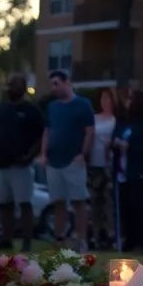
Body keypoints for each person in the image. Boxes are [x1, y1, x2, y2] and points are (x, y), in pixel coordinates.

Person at [0, 73, 45, 252]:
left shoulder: (31, 110)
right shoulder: (1, 109)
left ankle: (27, 239)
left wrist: (29, 156)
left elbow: (41, 136)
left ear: (23, 87)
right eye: (9, 84)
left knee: (24, 202)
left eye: (14, 84)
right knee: (4, 203)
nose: (10, 87)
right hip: (2, 165)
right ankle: (6, 238)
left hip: (21, 165)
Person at [39, 70, 96, 251]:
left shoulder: (83, 104)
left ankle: (82, 239)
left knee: (79, 201)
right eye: (52, 84)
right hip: (54, 160)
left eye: (56, 83)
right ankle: (60, 238)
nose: (53, 88)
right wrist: (43, 153)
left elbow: (89, 131)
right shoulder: (52, 107)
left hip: (73, 160)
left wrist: (83, 153)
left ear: (66, 82)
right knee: (58, 202)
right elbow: (47, 131)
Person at [112, 89, 143, 254]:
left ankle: (141, 242)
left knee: (140, 207)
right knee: (128, 207)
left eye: (131, 99)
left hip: (142, 170)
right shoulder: (128, 123)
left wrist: (130, 147)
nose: (127, 102)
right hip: (126, 171)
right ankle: (130, 239)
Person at [88, 88, 118, 250]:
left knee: (108, 201)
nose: (105, 102)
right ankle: (95, 235)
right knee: (94, 201)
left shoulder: (116, 120)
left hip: (109, 165)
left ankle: (110, 235)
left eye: (108, 98)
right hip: (94, 164)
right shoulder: (95, 119)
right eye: (103, 98)